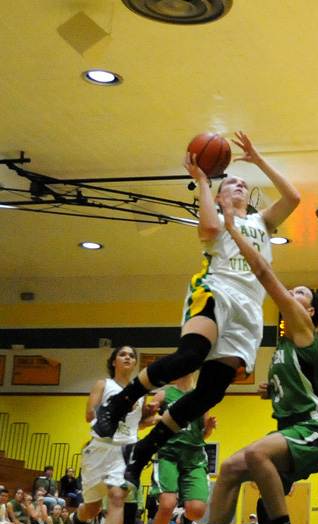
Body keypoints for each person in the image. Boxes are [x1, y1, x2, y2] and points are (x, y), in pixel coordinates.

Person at [89, 132, 301, 493]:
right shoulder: (217, 219)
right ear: (219, 195)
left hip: (248, 311)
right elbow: (207, 227)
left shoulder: (262, 223)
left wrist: (259, 160)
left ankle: (142, 451)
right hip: (214, 291)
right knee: (191, 356)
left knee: (211, 393)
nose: (238, 185)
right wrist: (203, 180)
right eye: (231, 182)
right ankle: (122, 403)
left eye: (243, 185)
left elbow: (293, 197)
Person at [171, 183, 318, 524]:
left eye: (301, 293)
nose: (293, 293)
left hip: (316, 431)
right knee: (229, 470)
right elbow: (300, 385)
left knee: (253, 456)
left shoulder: (302, 329)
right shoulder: (284, 346)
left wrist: (232, 226)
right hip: (292, 429)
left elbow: (263, 274)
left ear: (311, 312)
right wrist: (274, 391)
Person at [67, 345, 159, 524]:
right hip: (99, 448)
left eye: (131, 356)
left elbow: (134, 425)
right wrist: (116, 409)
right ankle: (78, 522)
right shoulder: (103, 385)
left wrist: (151, 418)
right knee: (92, 508)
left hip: (126, 449)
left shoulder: (141, 392)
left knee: (117, 495)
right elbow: (91, 414)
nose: (127, 357)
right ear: (114, 361)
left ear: (135, 363)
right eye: (122, 354)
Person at [142, 373, 217, 524]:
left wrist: (208, 428)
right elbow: (147, 419)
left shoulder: (201, 395)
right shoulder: (164, 393)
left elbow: (204, 433)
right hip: (168, 453)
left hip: (194, 456)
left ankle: (187, 520)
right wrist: (151, 413)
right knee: (166, 505)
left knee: (197, 509)